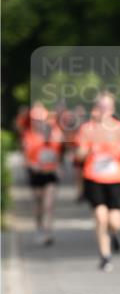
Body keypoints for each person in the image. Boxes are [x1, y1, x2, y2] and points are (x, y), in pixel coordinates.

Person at [75, 92, 120, 271]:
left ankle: (116, 233)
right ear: (96, 109)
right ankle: (105, 256)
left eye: (108, 107)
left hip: (116, 179)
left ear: (113, 109)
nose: (104, 110)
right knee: (100, 216)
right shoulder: (87, 129)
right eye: (101, 107)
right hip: (94, 178)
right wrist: (88, 150)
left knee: (115, 221)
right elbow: (78, 155)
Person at [22, 102, 63, 245]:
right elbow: (26, 159)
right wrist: (33, 165)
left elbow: (59, 153)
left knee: (49, 204)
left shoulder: (55, 133)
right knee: (39, 204)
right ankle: (39, 228)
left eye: (40, 119)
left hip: (51, 174)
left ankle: (48, 231)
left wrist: (58, 166)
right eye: (35, 119)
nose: (38, 122)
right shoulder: (29, 136)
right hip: (36, 174)